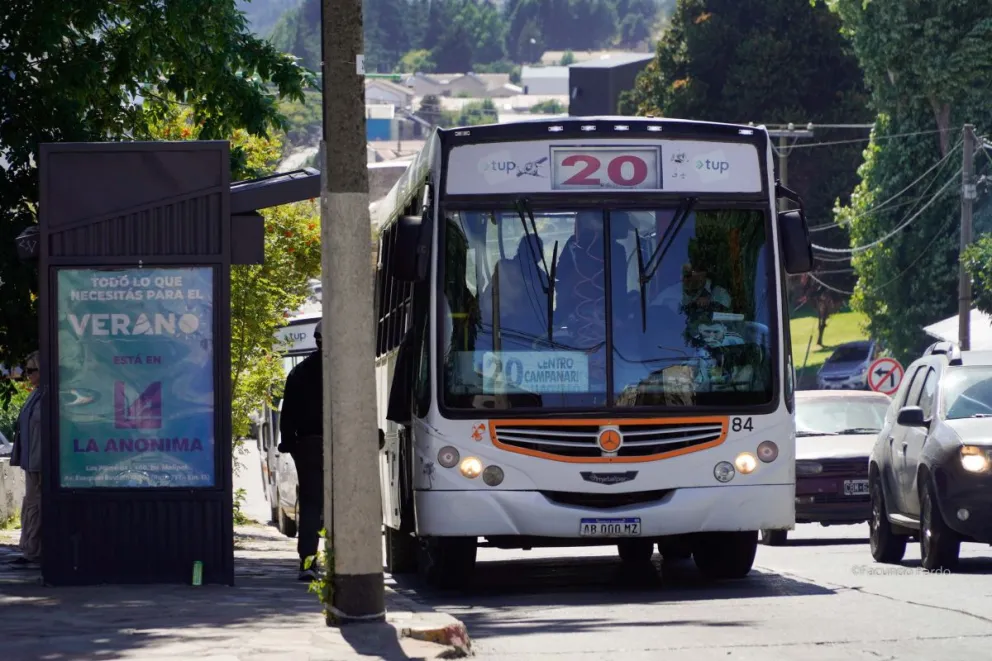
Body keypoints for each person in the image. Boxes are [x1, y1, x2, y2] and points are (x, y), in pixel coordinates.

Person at [278, 322, 324, 580]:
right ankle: (344, 560)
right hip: (340, 444)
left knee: (310, 504)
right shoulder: (346, 370)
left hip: (307, 446)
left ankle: (307, 563)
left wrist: (290, 444)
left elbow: (288, 416)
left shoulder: (299, 372)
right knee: (343, 503)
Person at [10, 350, 43, 565]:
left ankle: (35, 551)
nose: (27, 375)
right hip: (31, 461)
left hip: (41, 461)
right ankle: (31, 548)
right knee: (31, 504)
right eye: (26, 370)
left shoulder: (48, 395)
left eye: (32, 370)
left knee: (37, 505)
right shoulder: (35, 394)